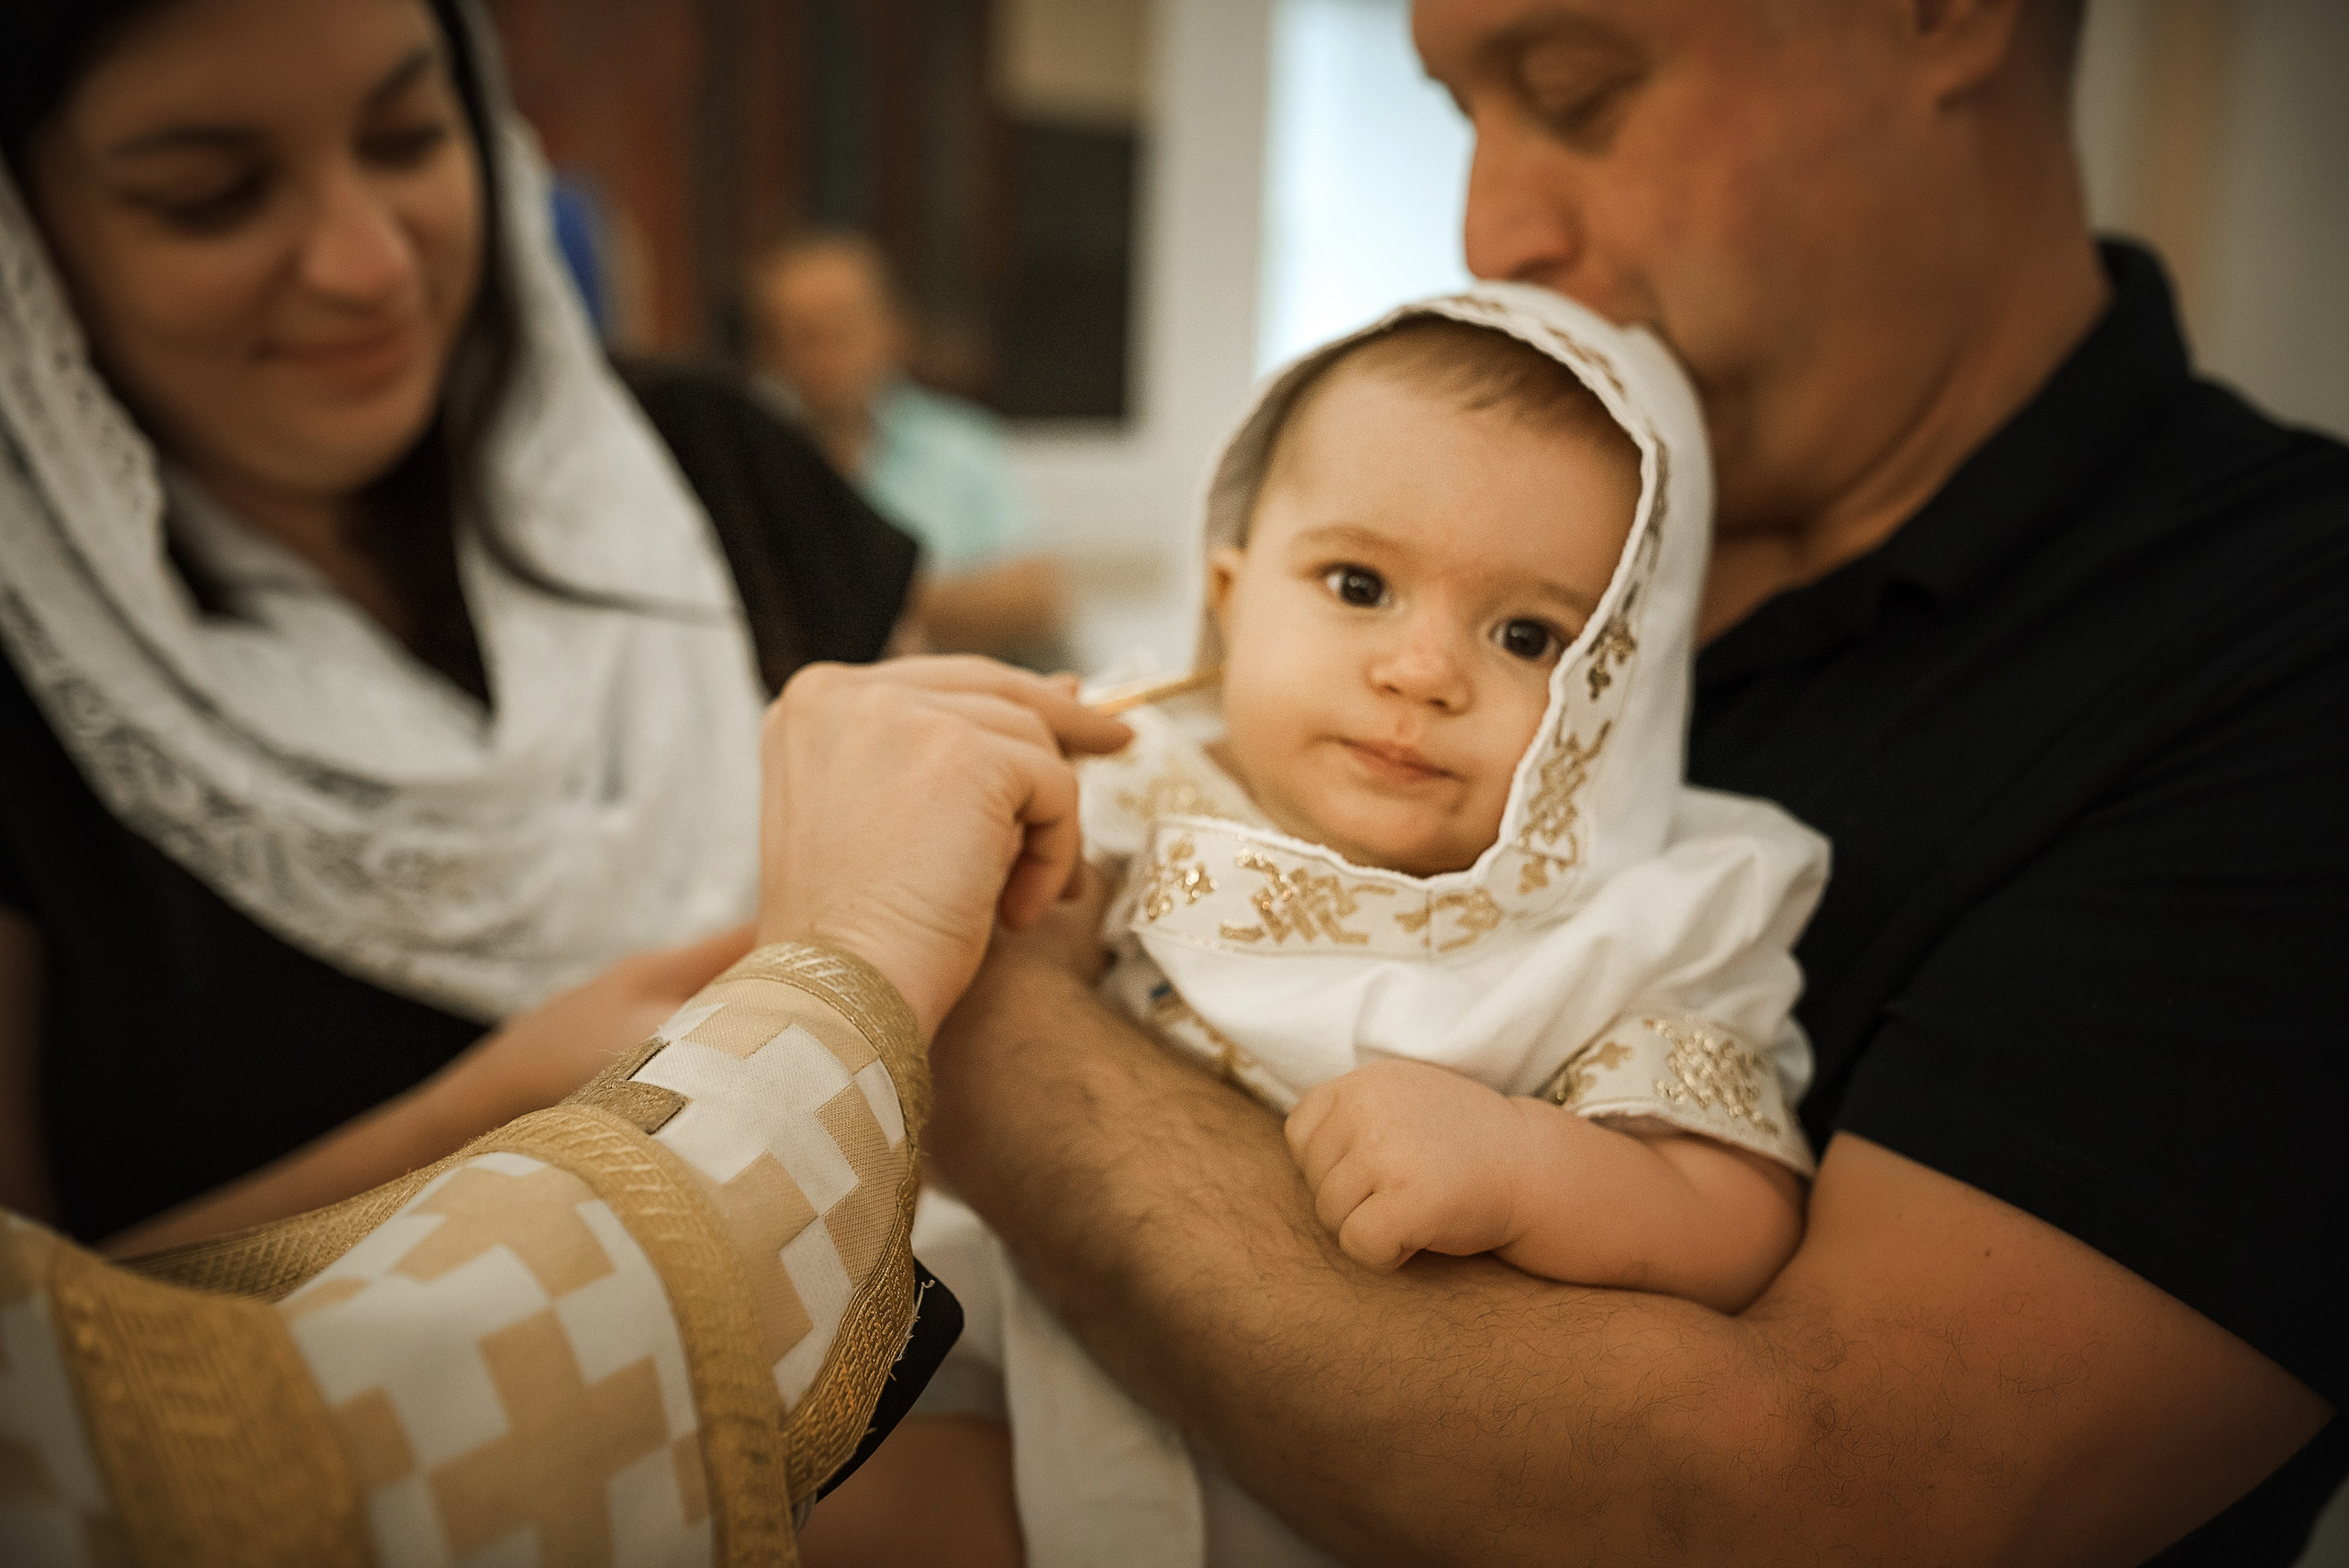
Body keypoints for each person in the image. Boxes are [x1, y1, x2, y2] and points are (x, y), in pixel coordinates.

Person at [860, 2, 2345, 1564]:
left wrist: (974, 1028)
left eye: (1582, 90)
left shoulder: (2282, 653)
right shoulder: (1201, 732)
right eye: (1457, 112)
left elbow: (1818, 1496)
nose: (1493, 224)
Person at [873, 286, 1833, 1567]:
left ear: (1632, 689)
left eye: (1527, 633)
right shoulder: (1138, 775)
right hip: (1031, 1348)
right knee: (823, 1491)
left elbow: (1736, 1201)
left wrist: (1522, 1165)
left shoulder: (1638, 917)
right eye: (1359, 584)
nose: (1421, 670)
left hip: (1321, 1473)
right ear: (1232, 593)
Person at [0, 0, 917, 1258]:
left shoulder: (708, 472)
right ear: (27, 235)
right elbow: (37, 1375)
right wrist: (498, 1114)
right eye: (211, 195)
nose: (367, 263)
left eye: (408, 137)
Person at [0, 654, 1134, 1568]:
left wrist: (501, 1099)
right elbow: (289, 1445)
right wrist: (849, 954)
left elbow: (93, 1315)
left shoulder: (732, 474)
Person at [750, 233, 1066, 662]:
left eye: (842, 326)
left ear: (892, 328)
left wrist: (864, 596)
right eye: (805, 334)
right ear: (770, 349)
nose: (827, 352)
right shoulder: (751, 458)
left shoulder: (959, 446)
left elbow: (1038, 599)